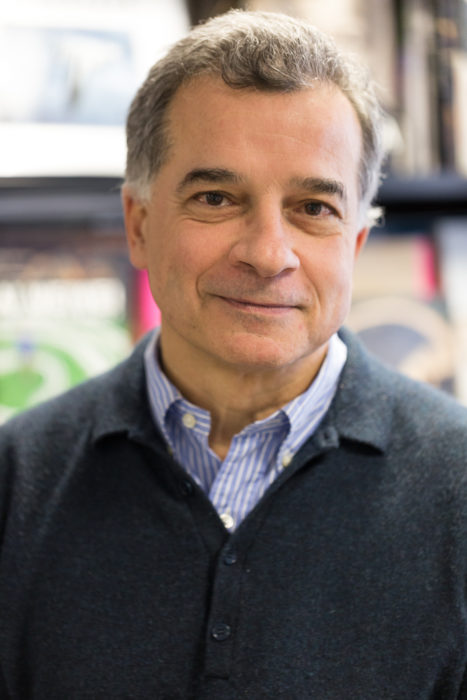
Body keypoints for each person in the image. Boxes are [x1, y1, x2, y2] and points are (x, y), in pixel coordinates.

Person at [1, 9, 466, 699]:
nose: (268, 254)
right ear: (139, 225)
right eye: (216, 198)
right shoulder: (16, 481)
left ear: (356, 246)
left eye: (314, 208)